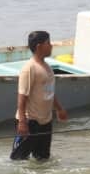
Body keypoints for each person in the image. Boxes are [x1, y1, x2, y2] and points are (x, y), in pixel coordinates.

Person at [10, 31, 68, 161]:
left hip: (45, 121)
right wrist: (22, 122)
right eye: (48, 43)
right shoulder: (29, 68)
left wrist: (59, 109)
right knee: (18, 160)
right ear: (39, 46)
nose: (51, 46)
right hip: (30, 122)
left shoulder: (47, 68)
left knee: (43, 160)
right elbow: (22, 96)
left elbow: (50, 92)